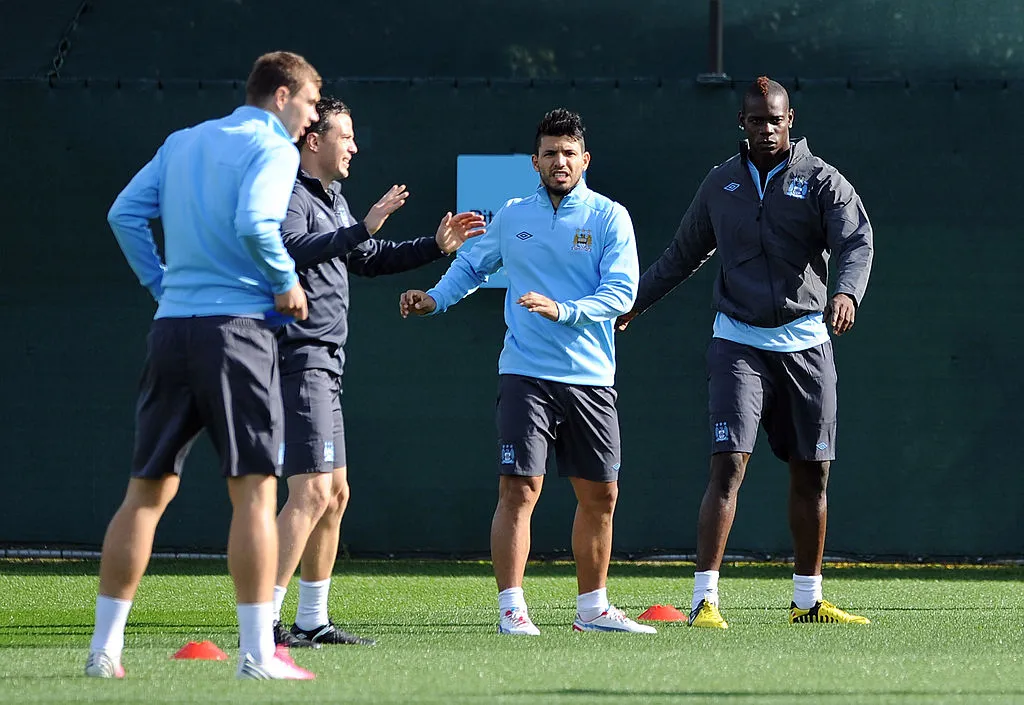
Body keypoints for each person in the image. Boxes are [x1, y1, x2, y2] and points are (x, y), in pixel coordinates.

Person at [88, 51, 321, 680]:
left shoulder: (182, 141)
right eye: (309, 104)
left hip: (172, 331)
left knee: (145, 492)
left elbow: (123, 214)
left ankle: (102, 653)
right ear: (281, 96)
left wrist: (163, 286)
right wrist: (284, 281)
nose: (311, 119)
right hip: (237, 335)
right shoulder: (275, 149)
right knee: (255, 493)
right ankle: (255, 657)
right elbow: (254, 222)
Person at [616, 76, 874, 629]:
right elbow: (682, 254)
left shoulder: (822, 180)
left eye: (774, 119)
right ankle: (704, 600)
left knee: (813, 474)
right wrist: (634, 302)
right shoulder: (721, 184)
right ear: (742, 123)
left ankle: (808, 601)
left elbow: (856, 239)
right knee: (727, 465)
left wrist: (847, 291)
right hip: (738, 341)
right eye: (756, 120)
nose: (766, 128)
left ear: (791, 120)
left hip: (806, 342)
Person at [400, 108, 655, 636]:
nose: (559, 162)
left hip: (590, 379)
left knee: (601, 496)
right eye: (549, 153)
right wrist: (434, 299)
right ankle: (512, 609)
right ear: (534, 161)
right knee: (519, 490)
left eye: (568, 153)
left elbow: (622, 292)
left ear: (584, 160)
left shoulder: (610, 217)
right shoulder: (513, 215)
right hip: (525, 375)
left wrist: (564, 310)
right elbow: (471, 266)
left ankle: (593, 609)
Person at [272, 96, 487, 647]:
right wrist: (363, 225)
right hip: (301, 358)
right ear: (313, 140)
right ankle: (261, 624)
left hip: (328, 363)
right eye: (345, 136)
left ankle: (311, 621)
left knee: (335, 493)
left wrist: (434, 248)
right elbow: (290, 247)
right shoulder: (290, 194)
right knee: (310, 493)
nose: (354, 146)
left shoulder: (333, 200)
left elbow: (369, 256)